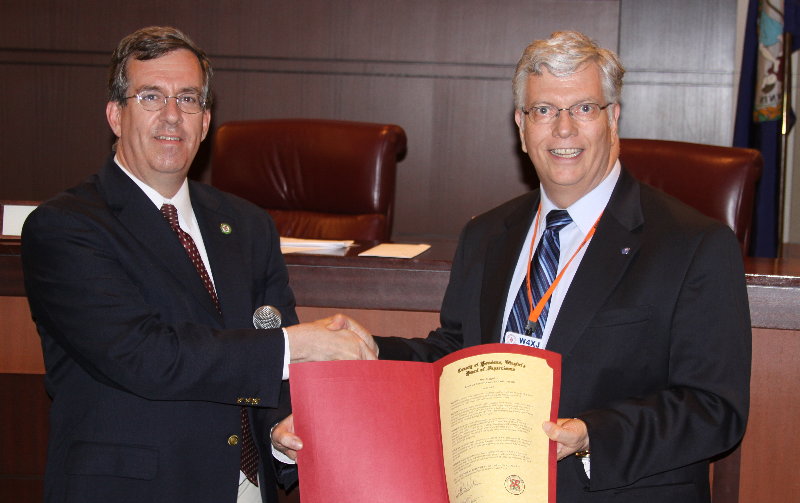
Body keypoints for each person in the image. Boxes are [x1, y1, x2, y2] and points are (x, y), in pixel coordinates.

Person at [273, 31, 751, 502]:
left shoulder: (693, 244)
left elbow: (714, 408)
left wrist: (592, 435)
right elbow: (456, 354)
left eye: (583, 108)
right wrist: (372, 353)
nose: (563, 129)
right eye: (544, 110)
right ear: (521, 126)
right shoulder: (487, 232)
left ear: (613, 118)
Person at [21, 26, 376, 503]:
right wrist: (294, 344)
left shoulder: (248, 225)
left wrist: (280, 431)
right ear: (115, 115)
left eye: (188, 100)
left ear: (206, 122)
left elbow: (268, 352)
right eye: (151, 97)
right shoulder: (66, 227)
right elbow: (146, 357)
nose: (172, 117)